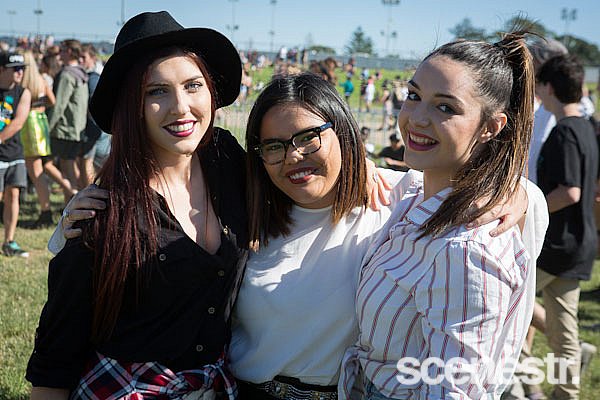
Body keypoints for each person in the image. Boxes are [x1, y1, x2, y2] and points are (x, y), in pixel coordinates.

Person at [52, 72, 540, 400]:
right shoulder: (246, 209)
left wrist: (511, 192)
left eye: (309, 137)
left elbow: (526, 202)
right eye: (273, 146)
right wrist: (72, 224)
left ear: (343, 131)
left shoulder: (396, 199)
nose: (293, 157)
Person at [26, 11, 246, 399]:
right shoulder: (101, 217)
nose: (181, 107)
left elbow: (297, 187)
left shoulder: (226, 159)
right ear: (132, 106)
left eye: (193, 85)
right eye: (156, 92)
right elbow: (53, 365)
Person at [340, 32, 548, 399]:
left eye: (445, 108)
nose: (417, 119)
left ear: (492, 127)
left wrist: (518, 191)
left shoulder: (467, 248)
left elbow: (453, 391)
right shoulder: (415, 195)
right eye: (414, 96)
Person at [535, 54, 599, 399]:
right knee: (563, 331)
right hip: (577, 243)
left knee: (506, 304)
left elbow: (570, 191)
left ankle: (518, 383)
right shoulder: (586, 128)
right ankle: (565, 393)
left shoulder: (565, 131)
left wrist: (529, 210)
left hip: (557, 245)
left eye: (539, 86)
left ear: (549, 87)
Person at [20, 50, 76, 228]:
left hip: (28, 123)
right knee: (42, 167)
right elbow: (52, 100)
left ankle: (46, 211)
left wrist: (29, 106)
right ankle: (56, 202)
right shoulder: (39, 79)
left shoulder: (23, 82)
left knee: (36, 171)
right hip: (41, 121)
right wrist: (39, 105)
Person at [0, 52, 31, 257]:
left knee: (13, 195)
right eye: (16, 69)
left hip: (14, 153)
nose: (20, 72)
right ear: (2, 70)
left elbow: (18, 122)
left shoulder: (23, 92)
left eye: (22, 68)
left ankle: (9, 242)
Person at [47, 39, 88, 191]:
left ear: (70, 52)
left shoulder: (67, 75)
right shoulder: (81, 73)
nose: (60, 54)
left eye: (62, 50)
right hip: (77, 129)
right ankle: (74, 199)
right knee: (69, 166)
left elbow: (59, 105)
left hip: (64, 129)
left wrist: (48, 127)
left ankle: (75, 194)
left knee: (48, 164)